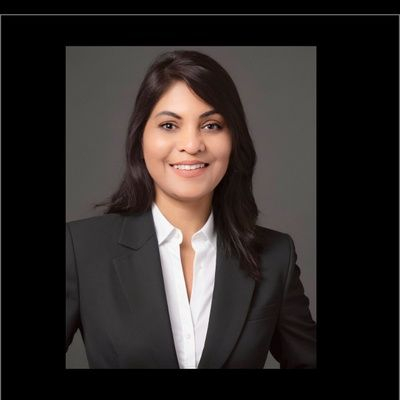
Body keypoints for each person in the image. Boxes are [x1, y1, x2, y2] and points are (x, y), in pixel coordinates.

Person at [66, 50, 316, 369]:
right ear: (140, 138)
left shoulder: (275, 256)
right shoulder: (81, 250)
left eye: (211, 125)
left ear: (233, 139)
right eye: (169, 125)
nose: (192, 144)